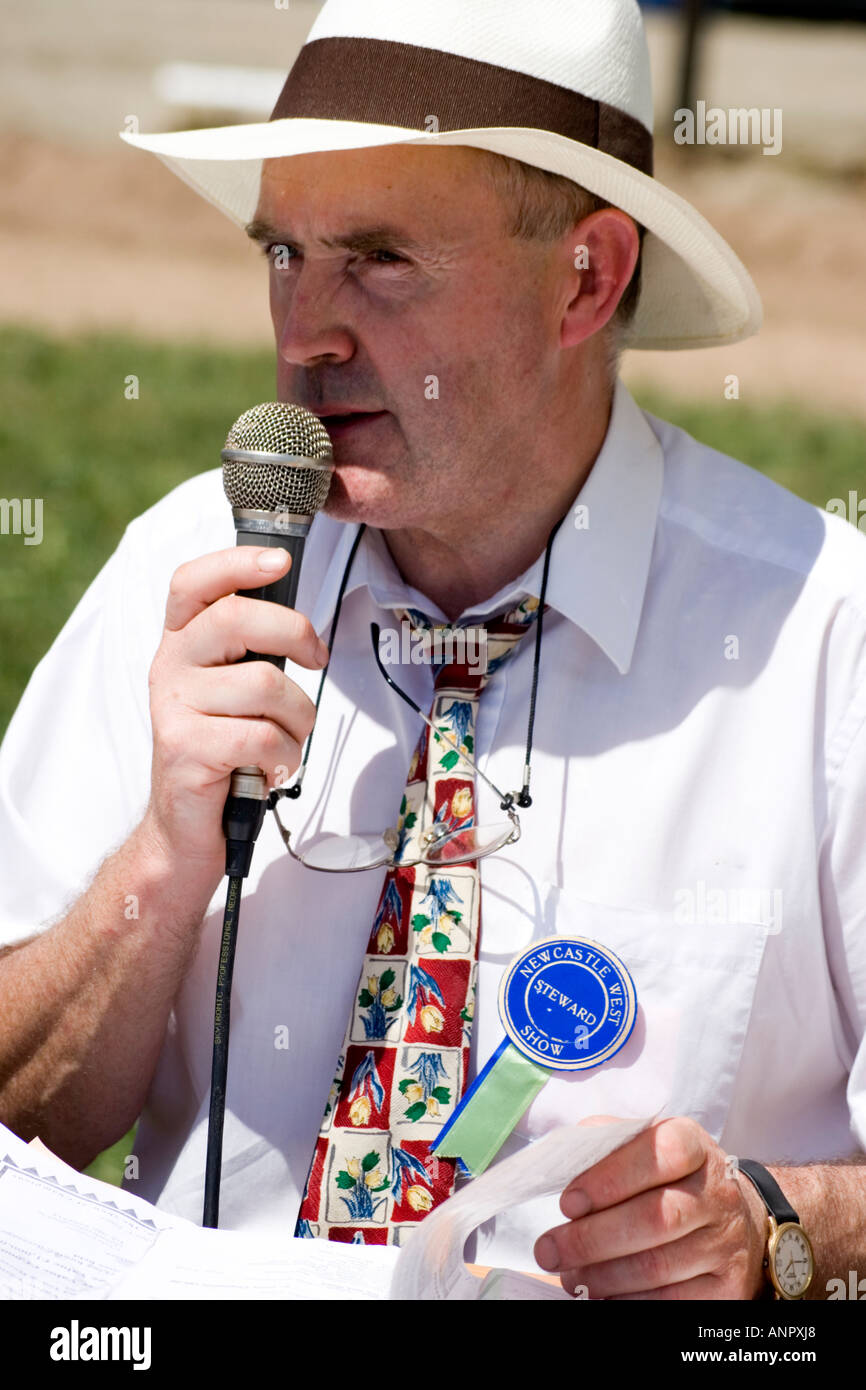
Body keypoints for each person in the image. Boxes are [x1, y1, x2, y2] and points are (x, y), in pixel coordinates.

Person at [1, 0, 865, 1298]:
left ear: (586, 278)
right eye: (283, 252)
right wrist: (161, 863)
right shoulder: (194, 571)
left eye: (381, 261)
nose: (305, 331)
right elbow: (23, 1116)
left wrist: (772, 1230)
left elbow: (803, 1230)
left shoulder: (818, 638)